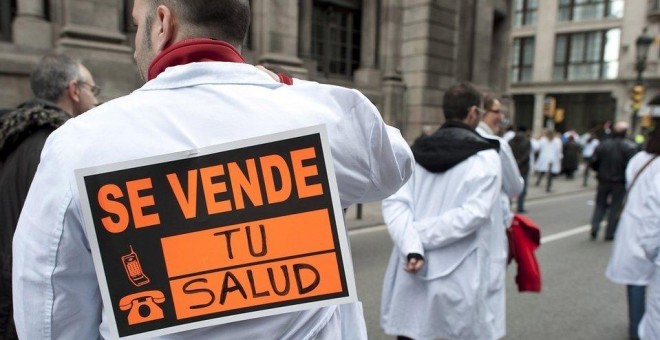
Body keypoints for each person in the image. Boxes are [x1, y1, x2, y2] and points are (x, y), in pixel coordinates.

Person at [12, 1, 414, 339]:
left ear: (163, 24)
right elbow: (394, 164)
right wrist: (284, 84)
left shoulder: (79, 143)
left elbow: (49, 309)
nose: (137, 40)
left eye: (137, 25)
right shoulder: (321, 119)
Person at [380, 82, 502, 340]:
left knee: (412, 332)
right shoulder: (486, 158)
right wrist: (418, 236)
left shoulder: (412, 153)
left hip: (412, 266)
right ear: (472, 113)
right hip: (458, 275)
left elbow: (394, 204)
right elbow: (474, 214)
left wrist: (413, 241)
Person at [0, 53, 98, 340]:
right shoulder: (59, 150)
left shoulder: (15, 137)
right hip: (31, 310)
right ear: (74, 90)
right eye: (92, 90)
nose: (95, 99)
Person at [605, 124, 660, 340]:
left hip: (635, 227)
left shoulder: (639, 159)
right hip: (649, 230)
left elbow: (630, 183)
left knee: (636, 282)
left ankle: (636, 328)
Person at [476, 94, 523, 339]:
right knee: (490, 294)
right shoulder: (496, 144)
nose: (501, 116)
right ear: (480, 112)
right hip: (492, 227)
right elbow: (515, 186)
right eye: (497, 111)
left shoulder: (451, 142)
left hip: (463, 232)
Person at [589, 121, 638, 241]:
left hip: (604, 180)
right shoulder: (629, 147)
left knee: (600, 204)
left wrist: (598, 171)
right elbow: (631, 166)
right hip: (619, 182)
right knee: (615, 208)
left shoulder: (603, 145)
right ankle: (609, 232)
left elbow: (594, 161)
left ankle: (595, 227)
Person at [509, 125, 532, 213]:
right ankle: (520, 206)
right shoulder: (527, 141)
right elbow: (527, 155)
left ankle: (508, 205)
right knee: (522, 189)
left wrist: (514, 162)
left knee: (510, 188)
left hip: (512, 167)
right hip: (523, 168)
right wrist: (520, 162)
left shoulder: (510, 141)